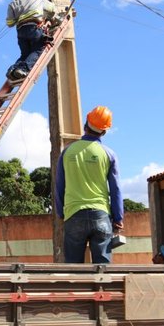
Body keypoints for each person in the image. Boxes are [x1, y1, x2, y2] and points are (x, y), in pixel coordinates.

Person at [55, 105, 123, 263]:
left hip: (73, 215)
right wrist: (118, 218)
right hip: (101, 215)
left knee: (74, 270)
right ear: (104, 131)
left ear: (85, 125)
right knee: (103, 272)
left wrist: (61, 213)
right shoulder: (109, 154)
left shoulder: (67, 152)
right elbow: (116, 189)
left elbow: (59, 186)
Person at [4, 0, 57, 80]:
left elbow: (10, 23)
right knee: (38, 49)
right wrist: (47, 16)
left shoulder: (12, 4)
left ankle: (12, 69)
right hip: (34, 28)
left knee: (25, 54)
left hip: (20, 32)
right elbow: (52, 8)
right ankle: (23, 69)